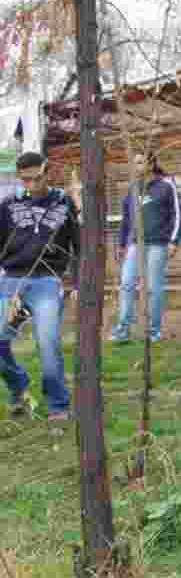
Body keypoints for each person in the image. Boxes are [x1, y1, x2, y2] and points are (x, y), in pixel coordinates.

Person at [0, 152, 79, 423]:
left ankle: (58, 405)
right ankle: (18, 385)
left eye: (36, 178)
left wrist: (78, 282)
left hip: (47, 282)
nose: (31, 185)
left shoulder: (64, 203)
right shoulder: (8, 205)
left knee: (47, 344)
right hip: (11, 282)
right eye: (25, 180)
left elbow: (78, 245)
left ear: (47, 173)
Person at [110, 152, 181, 342]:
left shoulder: (166, 186)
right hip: (135, 244)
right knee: (126, 284)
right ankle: (123, 330)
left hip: (158, 244)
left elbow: (177, 215)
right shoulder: (133, 189)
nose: (136, 166)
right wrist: (121, 244)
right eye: (134, 163)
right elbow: (127, 218)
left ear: (151, 164)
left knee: (153, 287)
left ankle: (153, 331)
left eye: (140, 162)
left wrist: (174, 241)